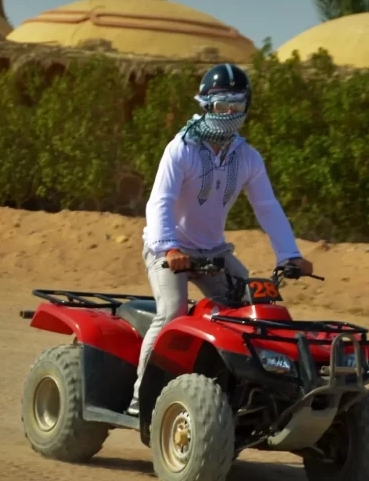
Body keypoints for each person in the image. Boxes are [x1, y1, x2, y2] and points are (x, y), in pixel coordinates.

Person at [128, 63, 314, 416]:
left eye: (237, 105)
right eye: (221, 105)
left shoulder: (247, 157)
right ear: (205, 104)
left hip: (214, 252)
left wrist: (289, 255)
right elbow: (160, 201)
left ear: (247, 107)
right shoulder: (179, 149)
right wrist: (169, 247)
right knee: (171, 311)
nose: (229, 113)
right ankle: (142, 394)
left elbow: (267, 207)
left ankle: (248, 391)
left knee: (257, 309)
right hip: (169, 249)